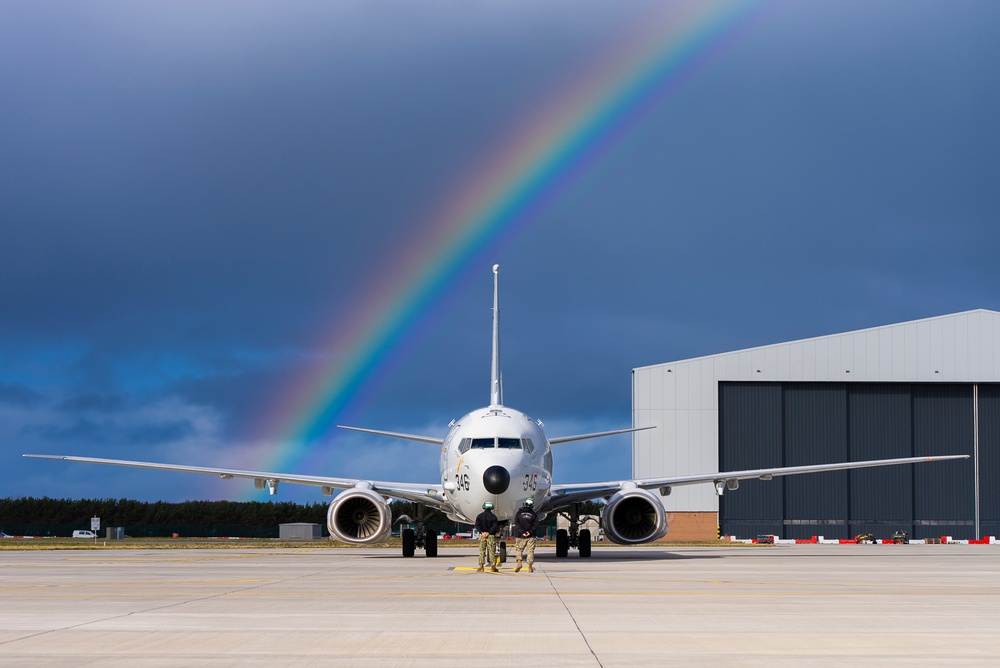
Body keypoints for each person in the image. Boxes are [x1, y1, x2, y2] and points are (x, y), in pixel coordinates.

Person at [513, 498, 538, 573]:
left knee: (519, 550)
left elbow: (517, 523)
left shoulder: (519, 513)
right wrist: (529, 532)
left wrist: (523, 532)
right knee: (530, 551)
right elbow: (536, 525)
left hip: (520, 535)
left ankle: (519, 563)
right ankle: (530, 567)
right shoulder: (533, 514)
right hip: (531, 536)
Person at [475, 501, 499, 573]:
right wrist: (488, 532)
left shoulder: (479, 516)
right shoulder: (494, 517)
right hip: (490, 536)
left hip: (482, 535)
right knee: (491, 551)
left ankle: (481, 567)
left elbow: (477, 526)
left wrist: (482, 532)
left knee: (482, 551)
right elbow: (494, 526)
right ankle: (493, 567)